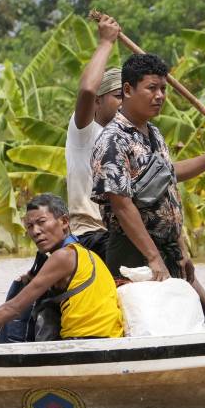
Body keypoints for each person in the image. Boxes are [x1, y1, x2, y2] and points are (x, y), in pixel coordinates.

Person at [89, 52, 205, 325]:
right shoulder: (113, 140)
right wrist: (153, 258)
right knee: (145, 327)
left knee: (181, 325)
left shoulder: (154, 134)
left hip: (167, 249)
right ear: (128, 90)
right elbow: (122, 204)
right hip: (133, 252)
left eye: (163, 88)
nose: (160, 95)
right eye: (152, 88)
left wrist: (182, 251)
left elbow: (168, 185)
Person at [0, 194, 122, 357]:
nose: (35, 232)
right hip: (105, 341)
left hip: (86, 345)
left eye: (41, 222)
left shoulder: (64, 256)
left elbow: (12, 309)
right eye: (29, 226)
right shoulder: (84, 253)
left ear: (63, 221)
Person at [65, 14, 124, 254]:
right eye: (119, 96)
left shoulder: (130, 136)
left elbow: (170, 172)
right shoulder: (85, 132)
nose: (125, 103)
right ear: (98, 102)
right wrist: (106, 43)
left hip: (122, 233)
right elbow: (88, 88)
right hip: (90, 234)